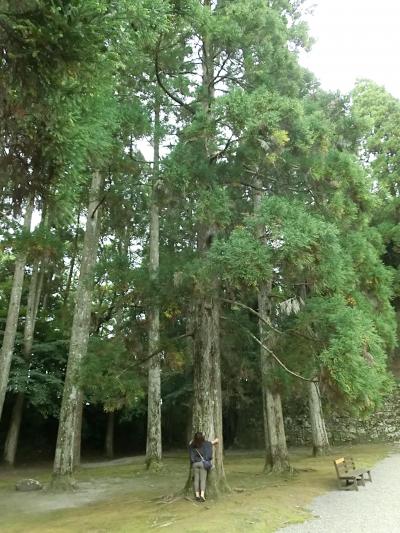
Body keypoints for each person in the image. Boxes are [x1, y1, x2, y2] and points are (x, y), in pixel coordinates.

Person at [189, 431, 219, 502]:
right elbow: (212, 443)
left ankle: (197, 495)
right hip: (202, 464)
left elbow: (190, 443)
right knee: (203, 480)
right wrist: (216, 440)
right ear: (202, 437)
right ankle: (202, 496)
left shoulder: (192, 444)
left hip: (195, 464)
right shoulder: (206, 444)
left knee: (196, 480)